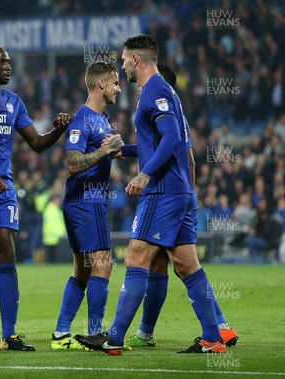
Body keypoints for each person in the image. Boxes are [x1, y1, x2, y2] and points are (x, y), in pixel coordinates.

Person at [82, 34, 226, 355]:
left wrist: (145, 174)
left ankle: (114, 337)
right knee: (187, 265)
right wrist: (127, 150)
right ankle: (213, 338)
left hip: (163, 190)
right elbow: (163, 141)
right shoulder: (165, 90)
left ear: (136, 59)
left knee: (135, 256)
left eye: (123, 59)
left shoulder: (155, 91)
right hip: (180, 190)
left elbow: (172, 136)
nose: (121, 65)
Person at [0, 45, 72, 351]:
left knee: (7, 253)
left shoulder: (14, 102)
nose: (8, 66)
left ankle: (9, 335)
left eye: (9, 61)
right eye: (1, 61)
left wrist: (58, 130)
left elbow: (36, 143)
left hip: (3, 190)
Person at [124, 64, 239, 349]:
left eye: (142, 85)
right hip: (184, 192)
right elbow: (188, 159)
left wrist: (179, 195)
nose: (140, 90)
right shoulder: (178, 114)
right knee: (177, 263)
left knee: (171, 263)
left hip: (169, 194)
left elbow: (172, 150)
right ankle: (217, 328)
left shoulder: (159, 102)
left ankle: (136, 333)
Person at [50, 61, 124, 350]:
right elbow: (72, 163)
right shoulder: (82, 118)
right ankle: (95, 333)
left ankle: (60, 334)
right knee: (103, 266)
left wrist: (114, 152)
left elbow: (100, 154)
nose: (119, 88)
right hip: (86, 201)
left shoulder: (101, 119)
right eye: (115, 82)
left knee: (83, 269)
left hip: (84, 201)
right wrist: (105, 150)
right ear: (101, 84)